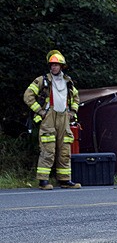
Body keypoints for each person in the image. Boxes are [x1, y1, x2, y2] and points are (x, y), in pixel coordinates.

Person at [24, 51, 81, 189]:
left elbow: (76, 98)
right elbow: (28, 96)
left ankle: (65, 180)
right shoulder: (42, 80)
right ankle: (43, 181)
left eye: (57, 65)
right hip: (49, 117)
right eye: (52, 65)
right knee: (48, 150)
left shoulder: (68, 82)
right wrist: (40, 111)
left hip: (64, 118)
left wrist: (72, 112)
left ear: (62, 66)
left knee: (65, 150)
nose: (54, 67)